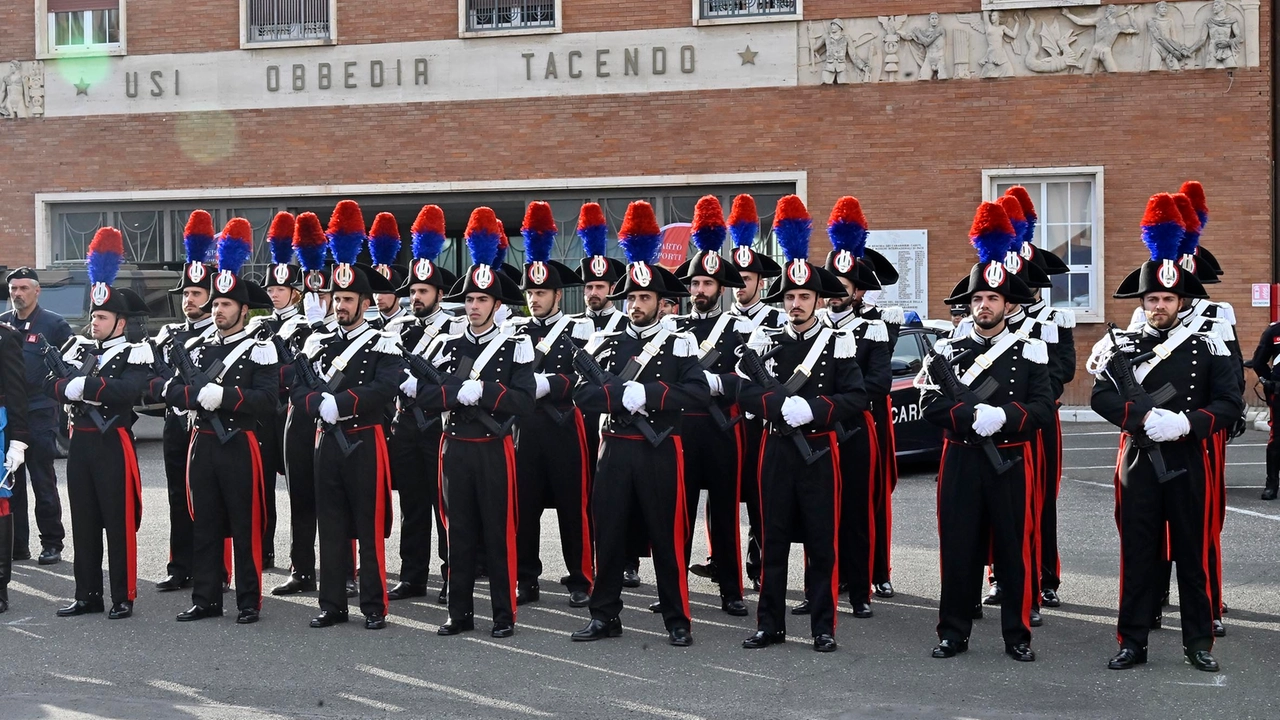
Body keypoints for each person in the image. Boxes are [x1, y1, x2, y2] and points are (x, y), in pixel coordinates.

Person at [1089, 192, 1241, 673]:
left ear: (1182, 301)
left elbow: (1230, 403)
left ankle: (1198, 643)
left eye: (1167, 299)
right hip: (1140, 460)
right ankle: (1132, 641)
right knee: (1137, 554)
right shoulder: (1123, 344)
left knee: (1192, 557)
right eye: (1151, 299)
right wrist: (1139, 419)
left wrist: (1185, 423)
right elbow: (1100, 395)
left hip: (1188, 458)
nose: (1158, 306)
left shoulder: (1209, 343)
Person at [918, 201, 1052, 663]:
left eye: (993, 299)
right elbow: (930, 403)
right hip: (961, 458)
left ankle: (1016, 634)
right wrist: (970, 418)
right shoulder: (947, 349)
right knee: (958, 549)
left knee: (1013, 551)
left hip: (1010, 460)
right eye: (977, 299)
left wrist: (1005, 417)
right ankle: (953, 631)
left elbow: (1040, 407)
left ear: (1008, 305)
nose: (984, 306)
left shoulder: (1030, 350)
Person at [570, 200, 708, 647]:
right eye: (630, 297)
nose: (635, 305)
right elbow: (581, 391)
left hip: (659, 447)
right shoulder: (605, 340)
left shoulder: (680, 341)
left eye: (644, 298)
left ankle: (677, 618)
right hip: (614, 446)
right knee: (607, 535)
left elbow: (696, 393)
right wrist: (617, 394)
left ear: (661, 302)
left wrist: (646, 394)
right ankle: (604, 615)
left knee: (665, 536)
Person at [737, 196, 866, 654]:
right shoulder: (764, 341)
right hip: (775, 449)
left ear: (817, 299)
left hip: (818, 453)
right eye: (789, 296)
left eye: (804, 296)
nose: (795, 304)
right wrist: (775, 404)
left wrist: (813, 410)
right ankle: (769, 624)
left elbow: (857, 396)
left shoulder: (838, 343)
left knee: (821, 542)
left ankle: (822, 626)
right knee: (770, 539)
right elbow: (743, 389)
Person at [412, 207, 534, 638]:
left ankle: (503, 614)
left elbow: (524, 400)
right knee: (457, 530)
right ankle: (459, 612)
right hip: (455, 445)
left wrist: (485, 392)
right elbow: (422, 394)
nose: (475, 306)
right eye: (469, 299)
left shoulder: (515, 344)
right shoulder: (445, 342)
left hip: (493, 445)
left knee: (498, 534)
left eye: (483, 299)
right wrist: (452, 392)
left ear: (497, 304)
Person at [293, 200, 403, 630]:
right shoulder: (316, 340)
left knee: (368, 525)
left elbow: (384, 388)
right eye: (335, 298)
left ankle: (374, 605)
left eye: (347, 299)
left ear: (363, 302)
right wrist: (315, 404)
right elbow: (297, 388)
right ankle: (332, 602)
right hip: (326, 442)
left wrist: (342, 402)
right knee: (331, 524)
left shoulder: (381, 341)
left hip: (363, 441)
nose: (339, 305)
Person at [165, 219, 279, 625]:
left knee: (245, 524)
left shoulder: (259, 349)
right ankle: (206, 596)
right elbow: (170, 389)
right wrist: (194, 395)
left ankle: (248, 599)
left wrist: (226, 397)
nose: (217, 310)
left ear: (244, 310)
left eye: (226, 305)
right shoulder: (195, 347)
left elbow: (268, 400)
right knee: (205, 521)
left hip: (237, 443)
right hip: (202, 443)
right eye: (215, 304)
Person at [47, 228, 152, 619]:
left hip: (113, 442)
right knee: (85, 520)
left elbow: (131, 391)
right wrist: (68, 387)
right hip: (82, 442)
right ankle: (86, 593)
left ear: (120, 322)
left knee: (117, 520)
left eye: (103, 317)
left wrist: (86, 385)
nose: (95, 322)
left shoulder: (134, 351)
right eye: (93, 315)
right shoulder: (77, 346)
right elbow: (49, 382)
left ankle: (122, 595)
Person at [506, 202, 595, 609]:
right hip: (525, 427)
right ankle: (526, 578)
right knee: (523, 507)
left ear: (558, 294)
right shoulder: (514, 329)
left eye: (541, 292)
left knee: (572, 507)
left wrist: (548, 384)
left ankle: (580, 577)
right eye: (530, 292)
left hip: (563, 424)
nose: (535, 298)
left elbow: (584, 377)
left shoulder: (579, 327)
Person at [670, 196, 750, 617]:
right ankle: (674, 586)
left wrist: (719, 382)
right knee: (678, 511)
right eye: (695, 284)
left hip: (722, 428)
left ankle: (731, 590)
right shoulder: (674, 328)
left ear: (721, 289)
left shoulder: (740, 327)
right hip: (684, 428)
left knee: (723, 513)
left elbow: (754, 382)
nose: (700, 291)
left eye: (707, 285)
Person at [816, 196, 891, 620]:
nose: (832, 297)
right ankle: (819, 587)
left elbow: (879, 383)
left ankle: (859, 589)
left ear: (858, 291)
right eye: (829, 289)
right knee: (817, 511)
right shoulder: (814, 326)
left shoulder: (874, 329)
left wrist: (841, 398)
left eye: (841, 290)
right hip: (819, 428)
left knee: (858, 510)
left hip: (856, 430)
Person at [386, 205, 459, 604]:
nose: (415, 297)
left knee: (444, 508)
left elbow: (456, 377)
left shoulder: (454, 329)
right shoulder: (397, 328)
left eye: (423, 292)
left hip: (437, 425)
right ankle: (412, 575)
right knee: (412, 505)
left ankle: (452, 576)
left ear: (439, 295)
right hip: (405, 426)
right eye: (412, 291)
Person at [569, 204, 639, 588]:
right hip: (586, 420)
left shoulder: (623, 325)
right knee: (593, 495)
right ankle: (597, 560)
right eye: (589, 287)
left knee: (626, 495)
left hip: (622, 419)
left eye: (600, 287)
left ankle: (627, 560)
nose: (594, 293)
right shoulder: (575, 325)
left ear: (613, 289)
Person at [271, 211, 340, 598]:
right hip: (299, 417)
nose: (322, 301)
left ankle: (343, 568)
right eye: (315, 295)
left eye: (327, 295)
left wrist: (322, 331)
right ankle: (301, 568)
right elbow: (279, 375)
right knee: (301, 496)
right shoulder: (292, 328)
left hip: (335, 418)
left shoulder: (351, 332)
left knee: (336, 496)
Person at [149, 211, 218, 591]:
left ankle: (216, 571)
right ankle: (180, 566)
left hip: (210, 426)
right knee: (178, 495)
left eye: (196, 294)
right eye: (186, 294)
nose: (188, 301)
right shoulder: (170, 333)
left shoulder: (222, 337)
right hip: (176, 424)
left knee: (209, 500)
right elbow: (153, 376)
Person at [724, 194, 784, 591]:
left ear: (760, 282)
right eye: (736, 279)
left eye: (747, 279)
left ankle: (759, 565)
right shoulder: (721, 322)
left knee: (763, 501)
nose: (740, 286)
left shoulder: (777, 318)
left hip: (763, 422)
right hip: (727, 423)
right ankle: (721, 560)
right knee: (725, 499)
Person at [1, 266, 70, 565]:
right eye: (13, 288)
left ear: (37, 290)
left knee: (43, 480)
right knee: (10, 480)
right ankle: (17, 544)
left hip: (40, 411)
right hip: (10, 415)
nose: (18, 294)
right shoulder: (3, 324)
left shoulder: (54, 324)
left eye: (24, 288)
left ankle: (52, 542)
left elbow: (69, 368)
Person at [246, 211, 300, 571]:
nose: (274, 294)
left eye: (281, 289)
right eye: (271, 288)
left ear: (296, 291)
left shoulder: (308, 324)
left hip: (294, 412)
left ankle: (305, 560)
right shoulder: (258, 324)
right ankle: (264, 549)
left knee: (301, 491)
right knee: (262, 487)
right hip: (266, 413)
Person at [0, 303, 32, 613]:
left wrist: (19, 440)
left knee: (0, 504)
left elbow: (16, 390)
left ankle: (0, 587)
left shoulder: (4, 338)